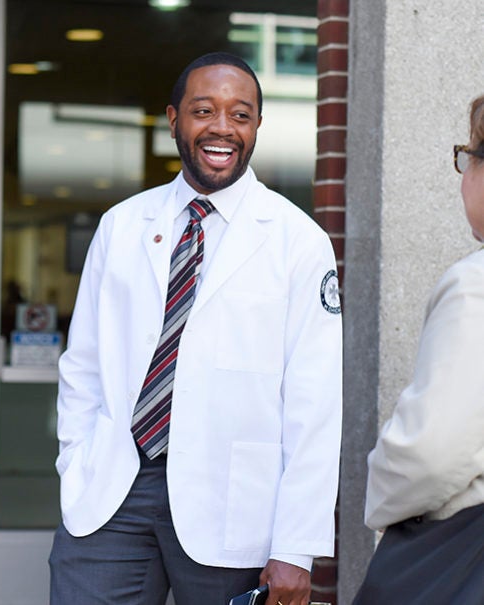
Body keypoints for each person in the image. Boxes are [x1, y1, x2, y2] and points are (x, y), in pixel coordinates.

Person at [48, 52, 342, 605]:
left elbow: (316, 404)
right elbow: (82, 364)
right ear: (173, 119)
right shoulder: (122, 225)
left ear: (256, 126)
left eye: (240, 115)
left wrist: (296, 547)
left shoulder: (298, 241)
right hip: (113, 490)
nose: (222, 129)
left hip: (234, 506)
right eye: (204, 111)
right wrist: (76, 466)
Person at [356, 96, 484, 602]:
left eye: (468, 155)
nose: (462, 175)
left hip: (460, 552)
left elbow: (430, 453)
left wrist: (381, 498)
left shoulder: (476, 287)